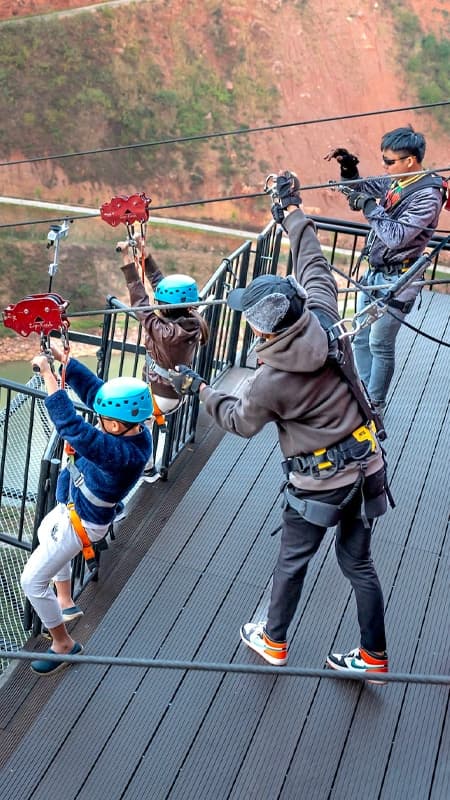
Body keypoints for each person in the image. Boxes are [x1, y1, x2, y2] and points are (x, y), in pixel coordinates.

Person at [176, 171, 390, 682]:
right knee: (359, 566)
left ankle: (273, 640)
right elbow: (313, 259)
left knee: (292, 562)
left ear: (262, 326)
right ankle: (374, 656)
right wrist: (291, 211)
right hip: (368, 468)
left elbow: (238, 420)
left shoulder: (269, 381)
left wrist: (202, 391)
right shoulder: (323, 314)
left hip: (318, 487)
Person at [21, 343, 153, 675]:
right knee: (43, 535)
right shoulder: (134, 429)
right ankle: (64, 600)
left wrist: (51, 379)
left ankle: (63, 643)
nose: (101, 419)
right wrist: (69, 363)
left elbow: (75, 430)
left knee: (31, 582)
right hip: (76, 506)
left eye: (106, 419)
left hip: (82, 519)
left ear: (121, 424)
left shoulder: (124, 455)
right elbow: (98, 394)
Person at [325, 125, 446, 419]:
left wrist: (369, 207)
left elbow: (395, 236)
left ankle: (374, 404)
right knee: (361, 337)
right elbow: (360, 191)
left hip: (399, 280)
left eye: (389, 161)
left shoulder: (427, 196)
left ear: (410, 160)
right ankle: (362, 392)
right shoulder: (399, 180)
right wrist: (349, 171)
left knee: (380, 342)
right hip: (376, 273)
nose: (385, 166)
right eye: (383, 160)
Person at [117, 237, 209, 481]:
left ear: (166, 307)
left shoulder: (165, 332)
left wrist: (128, 261)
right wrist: (144, 257)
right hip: (172, 389)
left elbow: (140, 303)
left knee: (128, 423)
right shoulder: (192, 318)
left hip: (161, 395)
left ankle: (144, 470)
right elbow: (160, 285)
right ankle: (147, 467)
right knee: (135, 422)